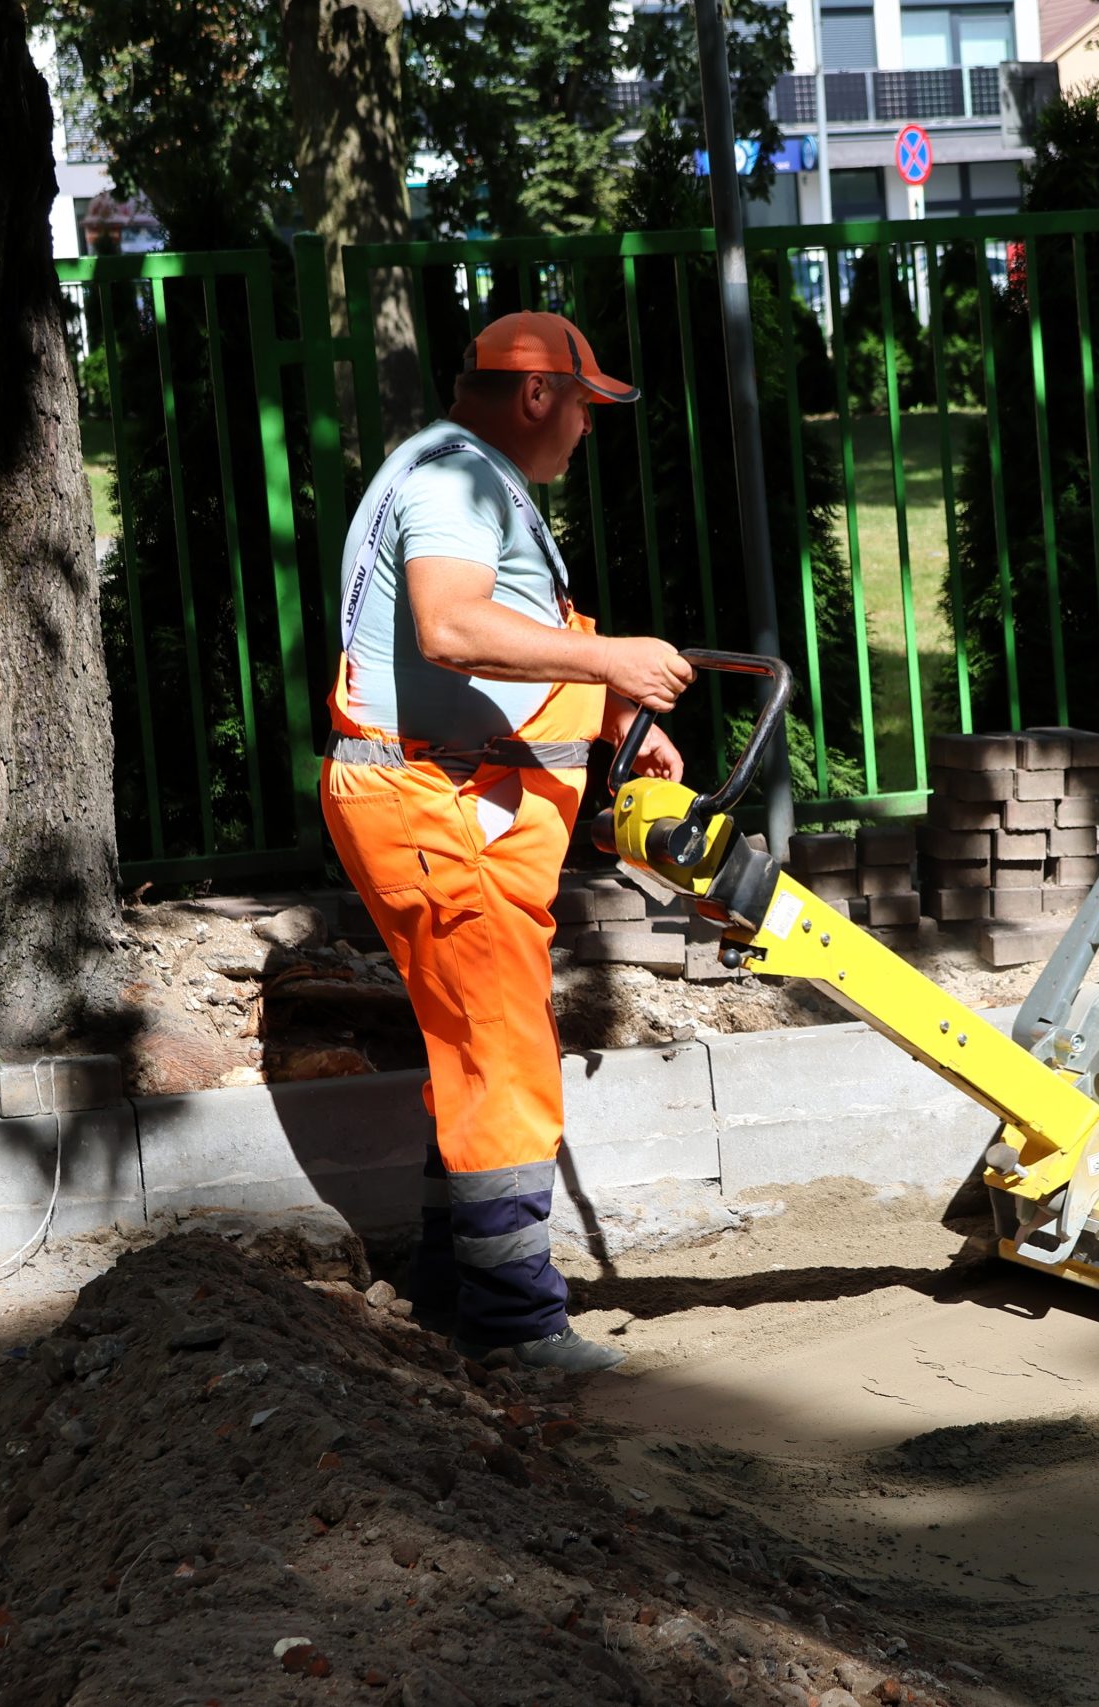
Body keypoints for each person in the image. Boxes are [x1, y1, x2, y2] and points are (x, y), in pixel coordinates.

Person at [319, 311, 696, 1374]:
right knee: (502, 1050)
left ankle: (453, 1285)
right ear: (538, 394)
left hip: (450, 797)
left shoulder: (459, 473)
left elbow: (509, 636)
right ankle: (516, 1327)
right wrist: (618, 660)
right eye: (583, 407)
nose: (585, 430)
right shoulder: (453, 482)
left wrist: (613, 712)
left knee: (473, 1050)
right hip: (439, 802)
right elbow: (450, 625)